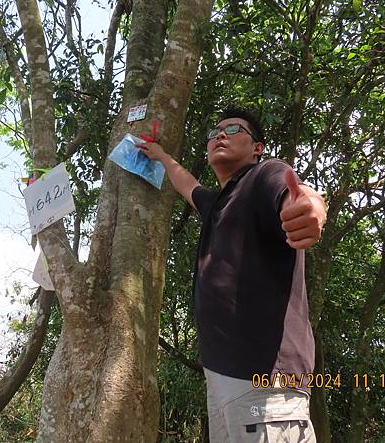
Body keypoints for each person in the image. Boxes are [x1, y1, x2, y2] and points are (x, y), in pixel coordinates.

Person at [137, 107, 326, 442]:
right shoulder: (219, 204)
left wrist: (310, 210)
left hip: (266, 383)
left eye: (233, 128)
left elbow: (295, 195)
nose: (220, 135)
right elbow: (188, 184)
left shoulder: (264, 174)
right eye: (214, 132)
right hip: (224, 380)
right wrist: (161, 156)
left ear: (258, 147)